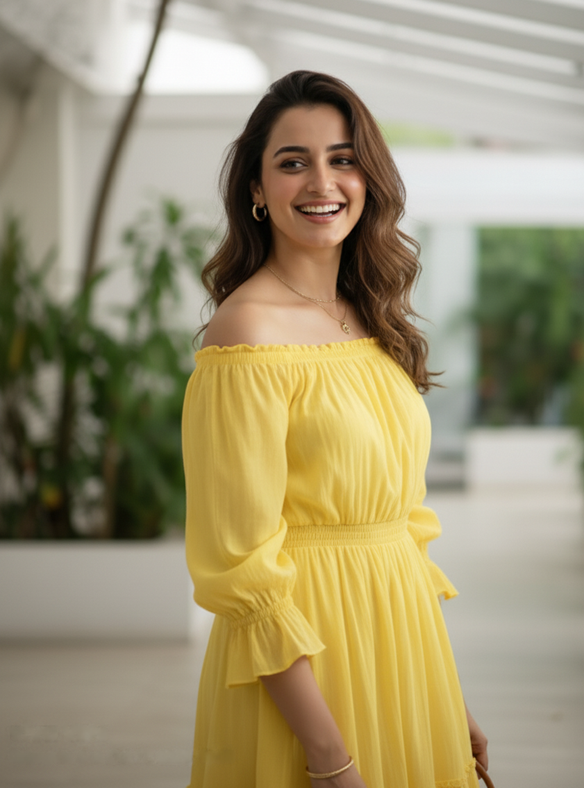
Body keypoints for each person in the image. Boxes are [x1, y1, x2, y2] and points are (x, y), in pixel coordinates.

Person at [182, 70, 488, 788]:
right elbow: (240, 563)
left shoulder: (371, 321)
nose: (322, 181)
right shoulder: (245, 333)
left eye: (343, 158)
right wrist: (329, 756)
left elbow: (406, 532)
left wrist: (450, 698)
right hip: (308, 673)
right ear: (257, 190)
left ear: (368, 176)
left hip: (403, 652)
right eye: (293, 162)